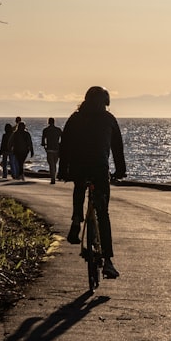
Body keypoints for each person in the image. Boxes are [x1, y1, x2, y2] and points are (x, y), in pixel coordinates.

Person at [59, 86, 127, 280]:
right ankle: (108, 261)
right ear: (105, 103)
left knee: (79, 187)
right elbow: (117, 148)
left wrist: (64, 170)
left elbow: (65, 146)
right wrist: (120, 171)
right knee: (103, 213)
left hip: (79, 167)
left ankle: (75, 220)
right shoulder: (109, 119)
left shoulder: (75, 118)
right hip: (99, 168)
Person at [41, 117, 63, 184]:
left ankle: (53, 177)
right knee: (54, 163)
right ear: (54, 122)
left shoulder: (45, 130)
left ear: (48, 122)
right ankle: (54, 176)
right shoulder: (58, 130)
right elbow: (63, 138)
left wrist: (44, 145)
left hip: (49, 149)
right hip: (56, 149)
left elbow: (43, 140)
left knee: (51, 164)